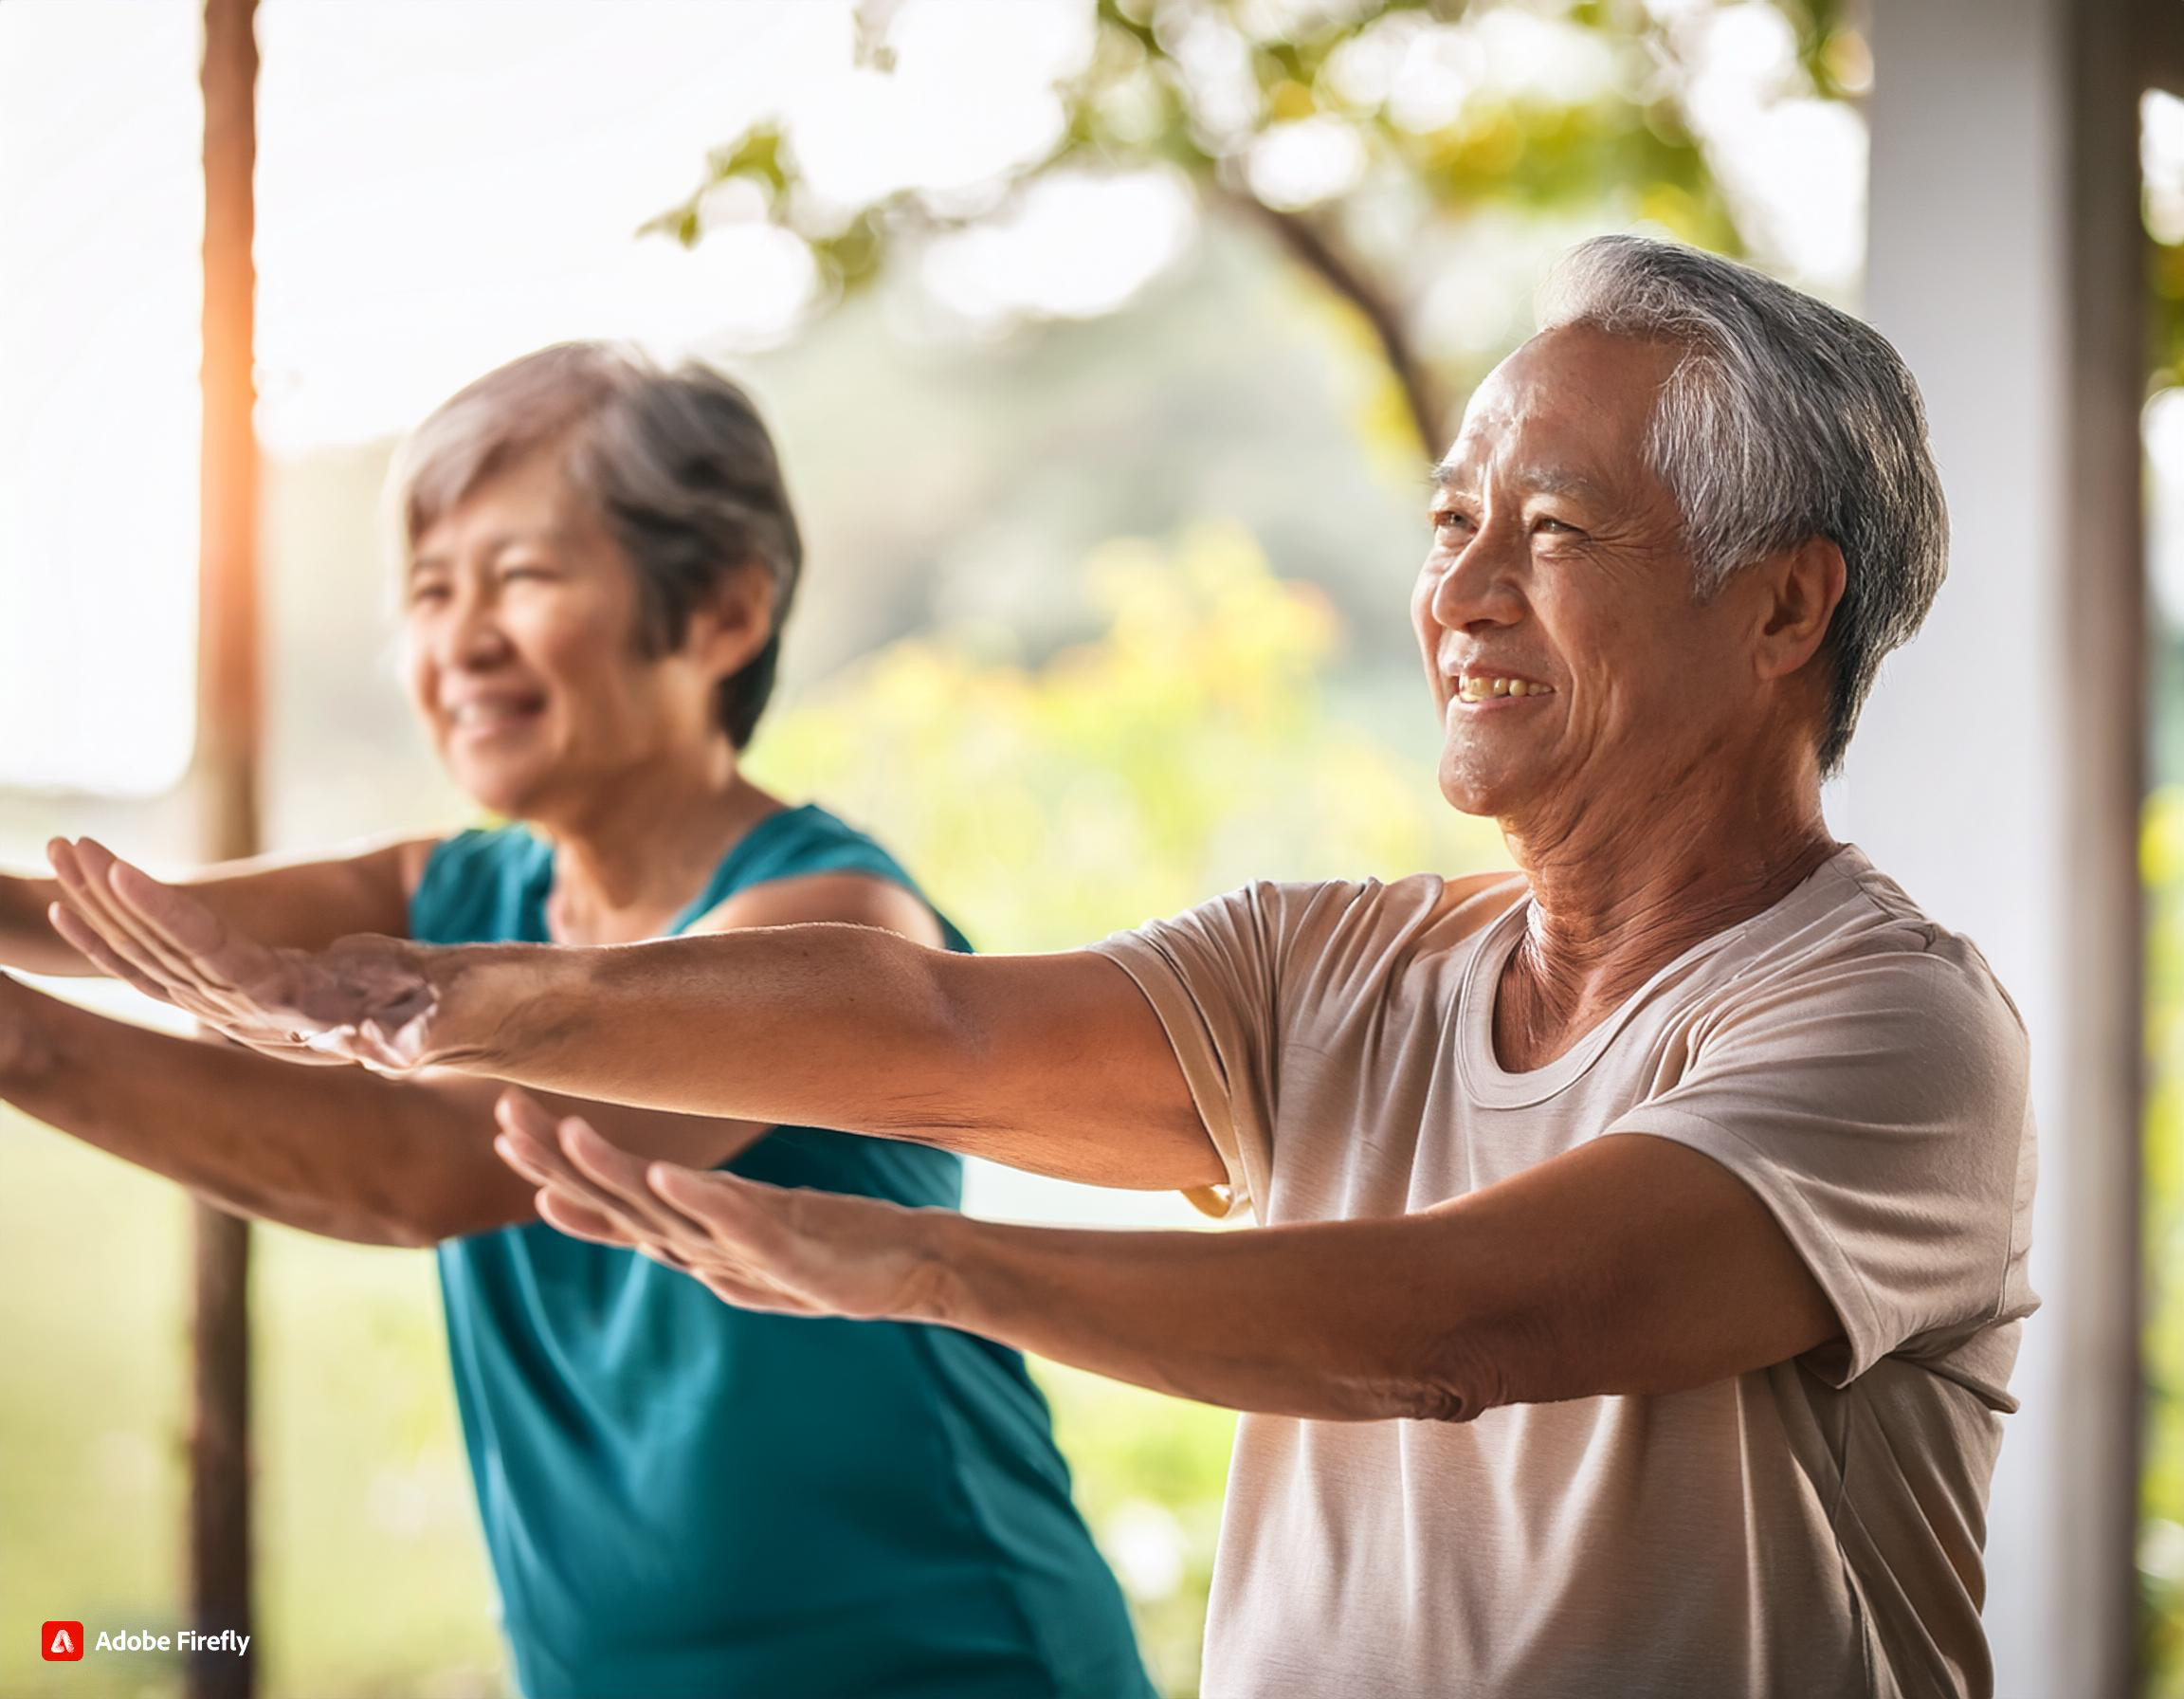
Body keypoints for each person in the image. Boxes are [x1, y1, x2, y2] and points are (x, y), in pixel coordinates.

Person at [52, 237, 2037, 1699]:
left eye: (1552, 526)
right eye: (1449, 522)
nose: (1459, 588)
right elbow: (932, 1032)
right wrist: (430, 991)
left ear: (1784, 606)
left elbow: (1471, 1319)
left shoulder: (1889, 1025)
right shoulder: (1335, 966)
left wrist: (930, 1266)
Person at [3, 345, 1154, 1699]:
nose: (460, 639)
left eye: (523, 577)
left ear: (723, 612)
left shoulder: (826, 919)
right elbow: (91, 917)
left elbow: (415, 1161)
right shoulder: (451, 889)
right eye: (430, 591)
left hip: (948, 1668)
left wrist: (24, 1047)